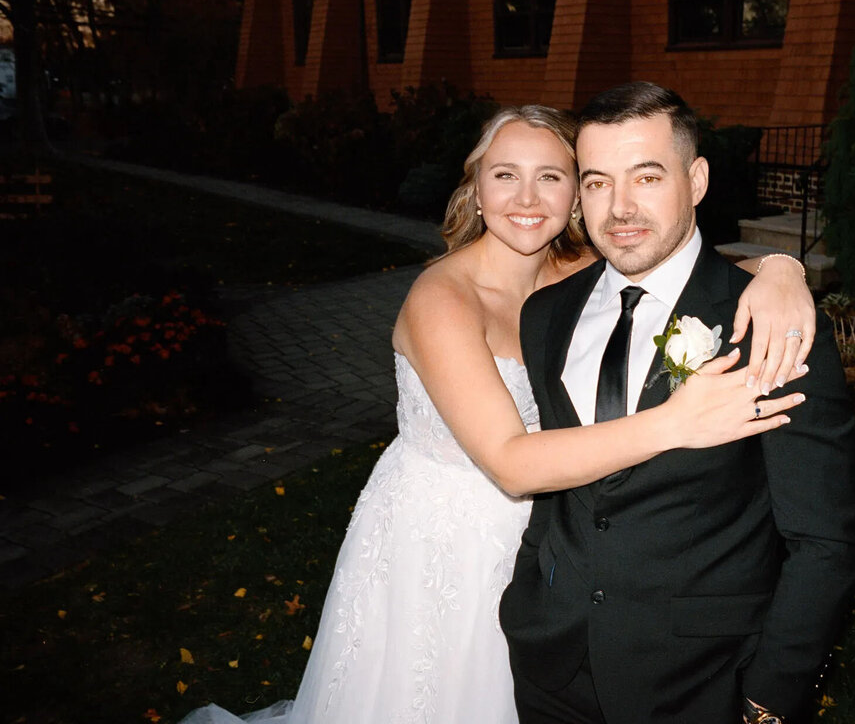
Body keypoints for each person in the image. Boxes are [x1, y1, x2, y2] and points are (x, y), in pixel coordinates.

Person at [182, 103, 817, 724]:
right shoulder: (442, 299)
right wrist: (676, 421)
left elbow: (681, 262)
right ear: (477, 191)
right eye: (505, 174)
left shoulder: (575, 273)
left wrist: (780, 268)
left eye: (551, 177)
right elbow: (512, 464)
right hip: (443, 541)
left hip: (549, 545)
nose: (527, 198)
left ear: (577, 197)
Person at [500, 83, 855, 724]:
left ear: (695, 180)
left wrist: (767, 699)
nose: (619, 208)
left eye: (646, 176)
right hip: (551, 666)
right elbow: (561, 483)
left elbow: (824, 543)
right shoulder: (547, 316)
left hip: (701, 682)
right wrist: (528, 596)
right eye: (596, 182)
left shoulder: (768, 325)